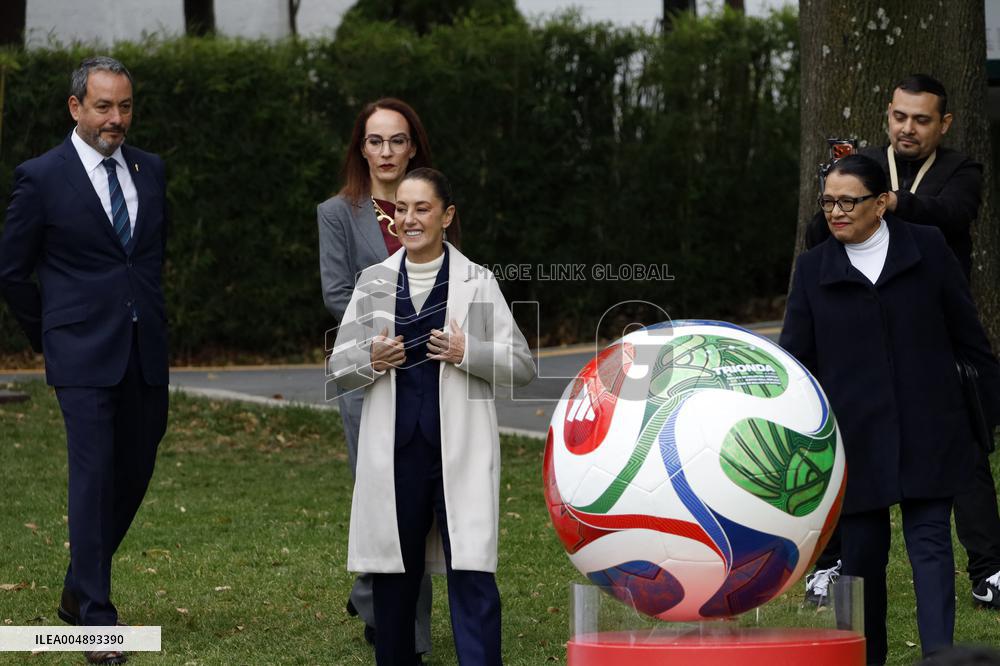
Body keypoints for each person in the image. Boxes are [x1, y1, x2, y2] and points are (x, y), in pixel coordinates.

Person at [781, 154, 1000, 665]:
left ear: (880, 203)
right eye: (828, 202)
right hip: (855, 439)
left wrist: (983, 417)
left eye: (848, 202)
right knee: (861, 560)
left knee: (931, 546)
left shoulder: (928, 246)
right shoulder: (814, 268)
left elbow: (969, 337)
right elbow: (797, 362)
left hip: (931, 428)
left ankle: (940, 657)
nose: (835, 213)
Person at [0, 56, 169, 665]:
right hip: (80, 353)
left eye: (124, 106)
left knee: (136, 467)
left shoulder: (151, 169)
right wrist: (52, 334)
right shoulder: (41, 177)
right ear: (76, 107)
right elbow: (11, 270)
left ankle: (77, 586)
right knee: (94, 477)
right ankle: (97, 620)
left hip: (144, 349)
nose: (115, 118)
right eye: (103, 107)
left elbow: (148, 258)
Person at [329, 168, 535, 665]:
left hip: (459, 452)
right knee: (394, 577)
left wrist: (469, 352)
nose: (409, 219)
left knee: (472, 571)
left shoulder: (475, 284)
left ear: (447, 216)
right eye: (401, 208)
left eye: (422, 208)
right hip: (396, 457)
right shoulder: (375, 283)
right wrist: (371, 359)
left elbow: (521, 367)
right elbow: (338, 368)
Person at [317, 98, 445, 654]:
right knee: (379, 498)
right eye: (375, 141)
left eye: (397, 140)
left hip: (430, 377)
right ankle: (395, 622)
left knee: (418, 503)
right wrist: (393, 334)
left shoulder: (431, 204)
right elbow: (336, 294)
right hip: (369, 372)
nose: (386, 151)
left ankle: (384, 607)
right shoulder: (336, 213)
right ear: (361, 148)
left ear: (412, 147)